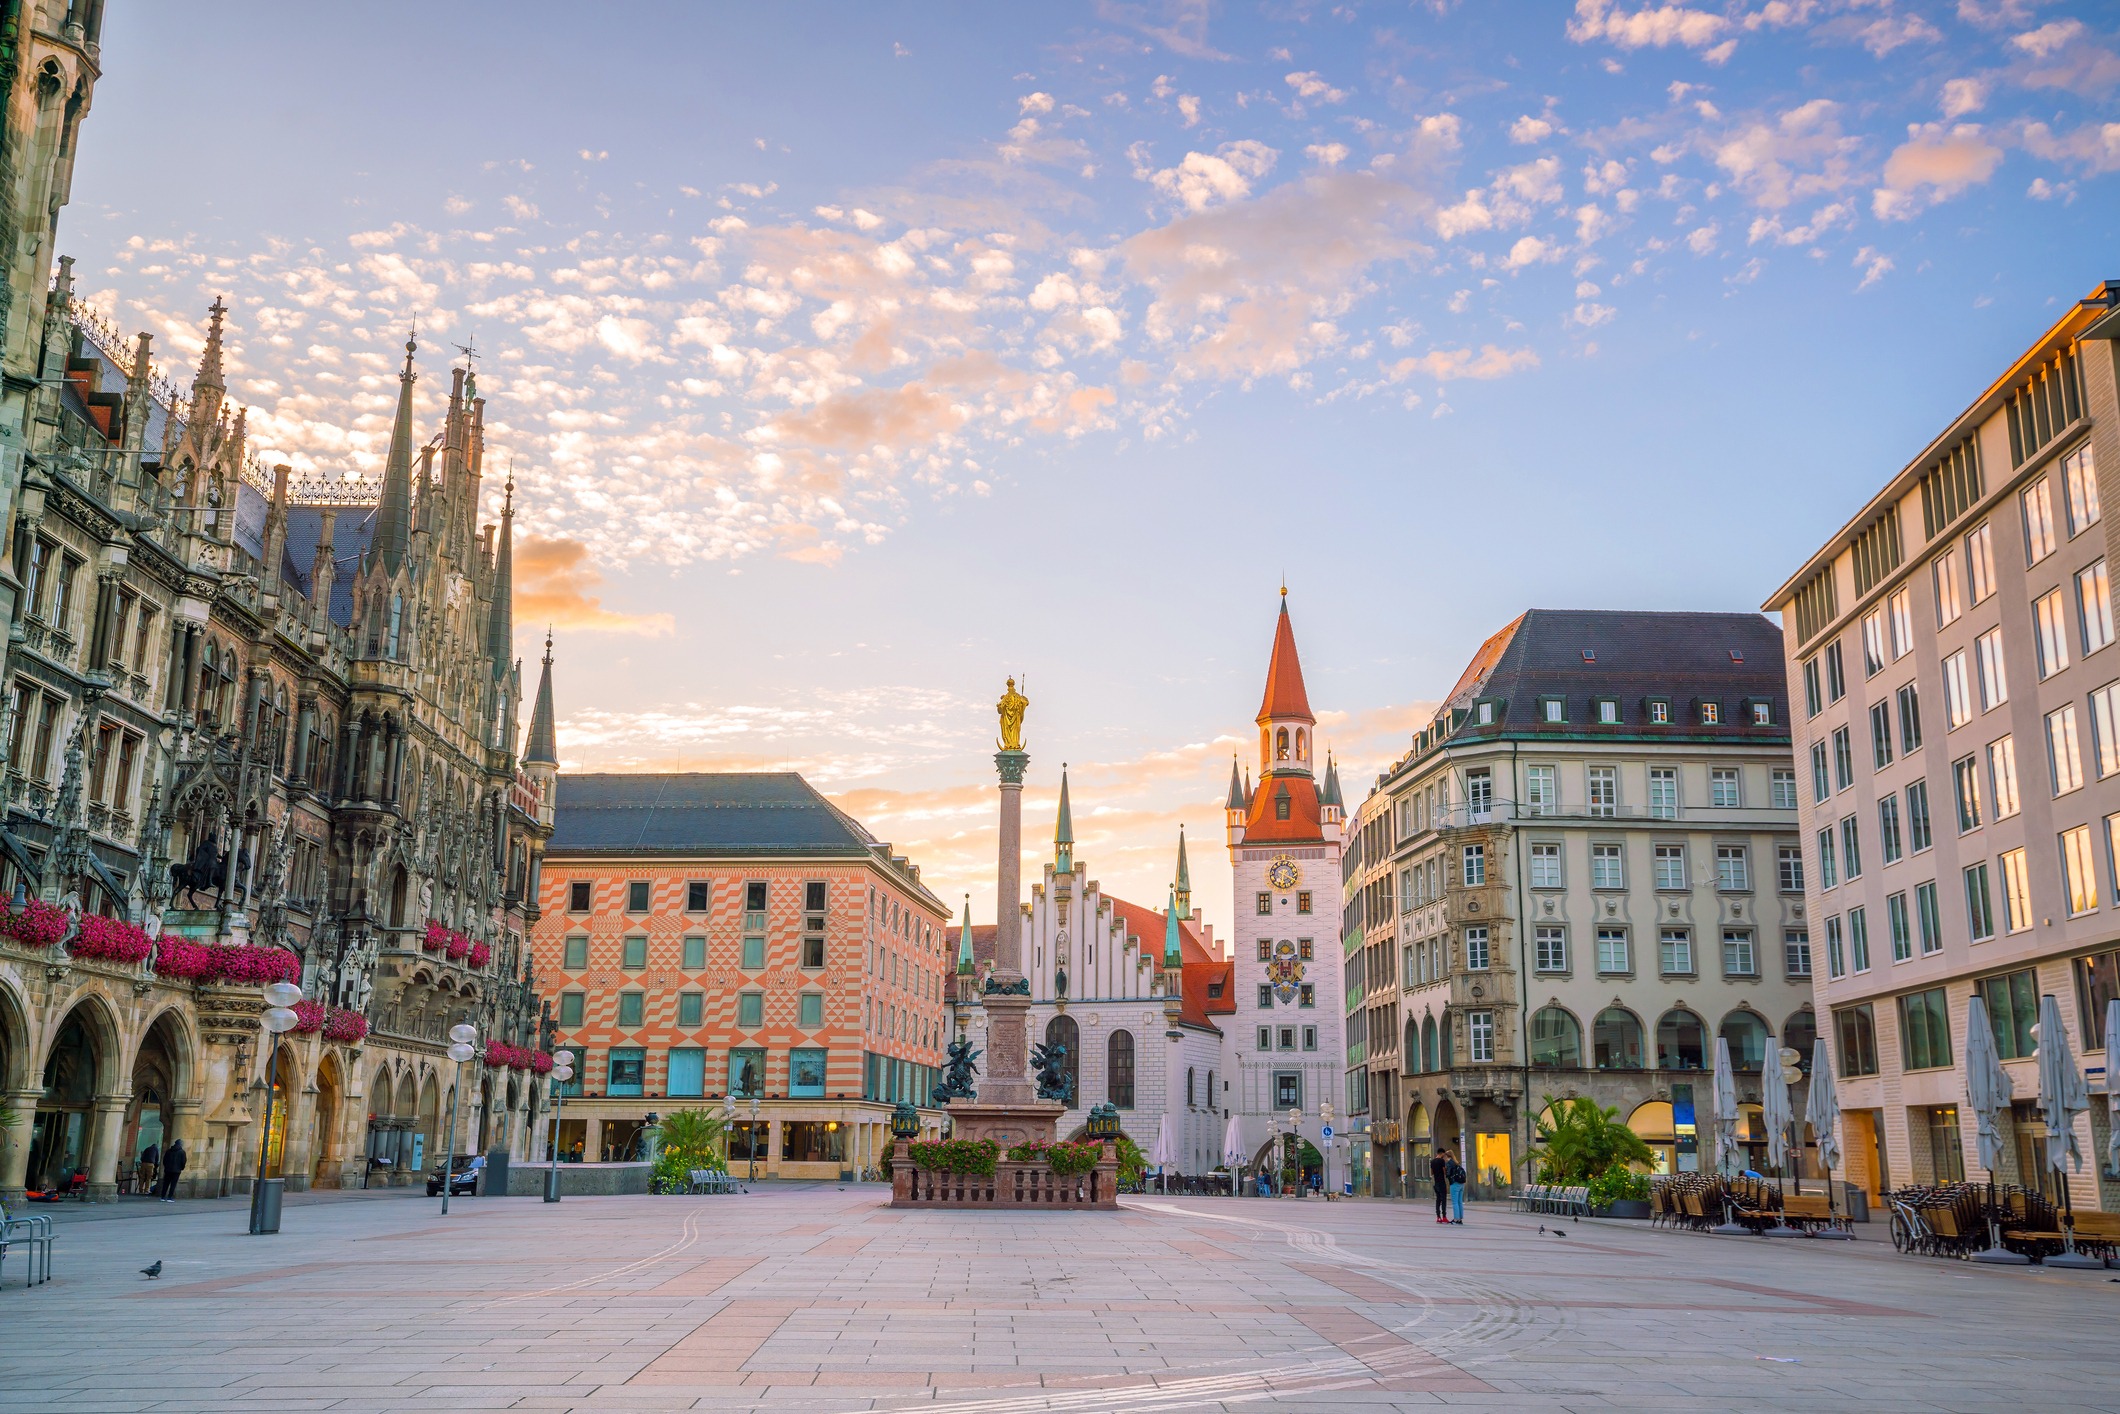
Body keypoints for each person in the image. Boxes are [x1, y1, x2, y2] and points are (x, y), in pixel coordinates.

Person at [1429, 1150, 1450, 1223]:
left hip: (1436, 1183)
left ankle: (1438, 1217)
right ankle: (1444, 1216)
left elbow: (1431, 1173)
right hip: (1442, 1183)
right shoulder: (1442, 1161)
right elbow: (1444, 1171)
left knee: (1438, 1200)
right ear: (1442, 1153)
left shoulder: (1432, 1161)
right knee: (1443, 1200)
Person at [1446, 1151, 1467, 1225]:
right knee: (1459, 1201)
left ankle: (1456, 1219)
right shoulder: (1457, 1163)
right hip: (1461, 1184)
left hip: (1454, 1183)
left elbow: (1448, 1174)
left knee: (1455, 1202)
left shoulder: (1449, 1163)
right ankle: (1460, 1219)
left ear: (1447, 1156)